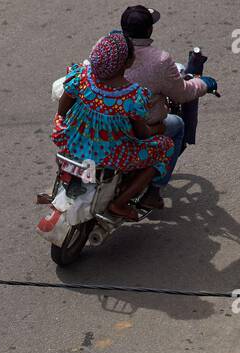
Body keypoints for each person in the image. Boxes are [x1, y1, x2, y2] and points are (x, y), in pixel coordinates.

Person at [53, 31, 175, 221]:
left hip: (72, 142)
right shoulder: (132, 97)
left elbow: (64, 105)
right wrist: (158, 129)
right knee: (165, 147)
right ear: (126, 63)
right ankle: (120, 203)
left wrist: (63, 120)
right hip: (112, 155)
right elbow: (142, 134)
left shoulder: (82, 77)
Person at [120, 5, 217, 210]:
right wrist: (204, 84)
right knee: (178, 126)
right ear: (149, 31)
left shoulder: (107, 48)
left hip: (107, 119)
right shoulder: (159, 60)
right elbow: (181, 94)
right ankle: (154, 191)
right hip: (138, 127)